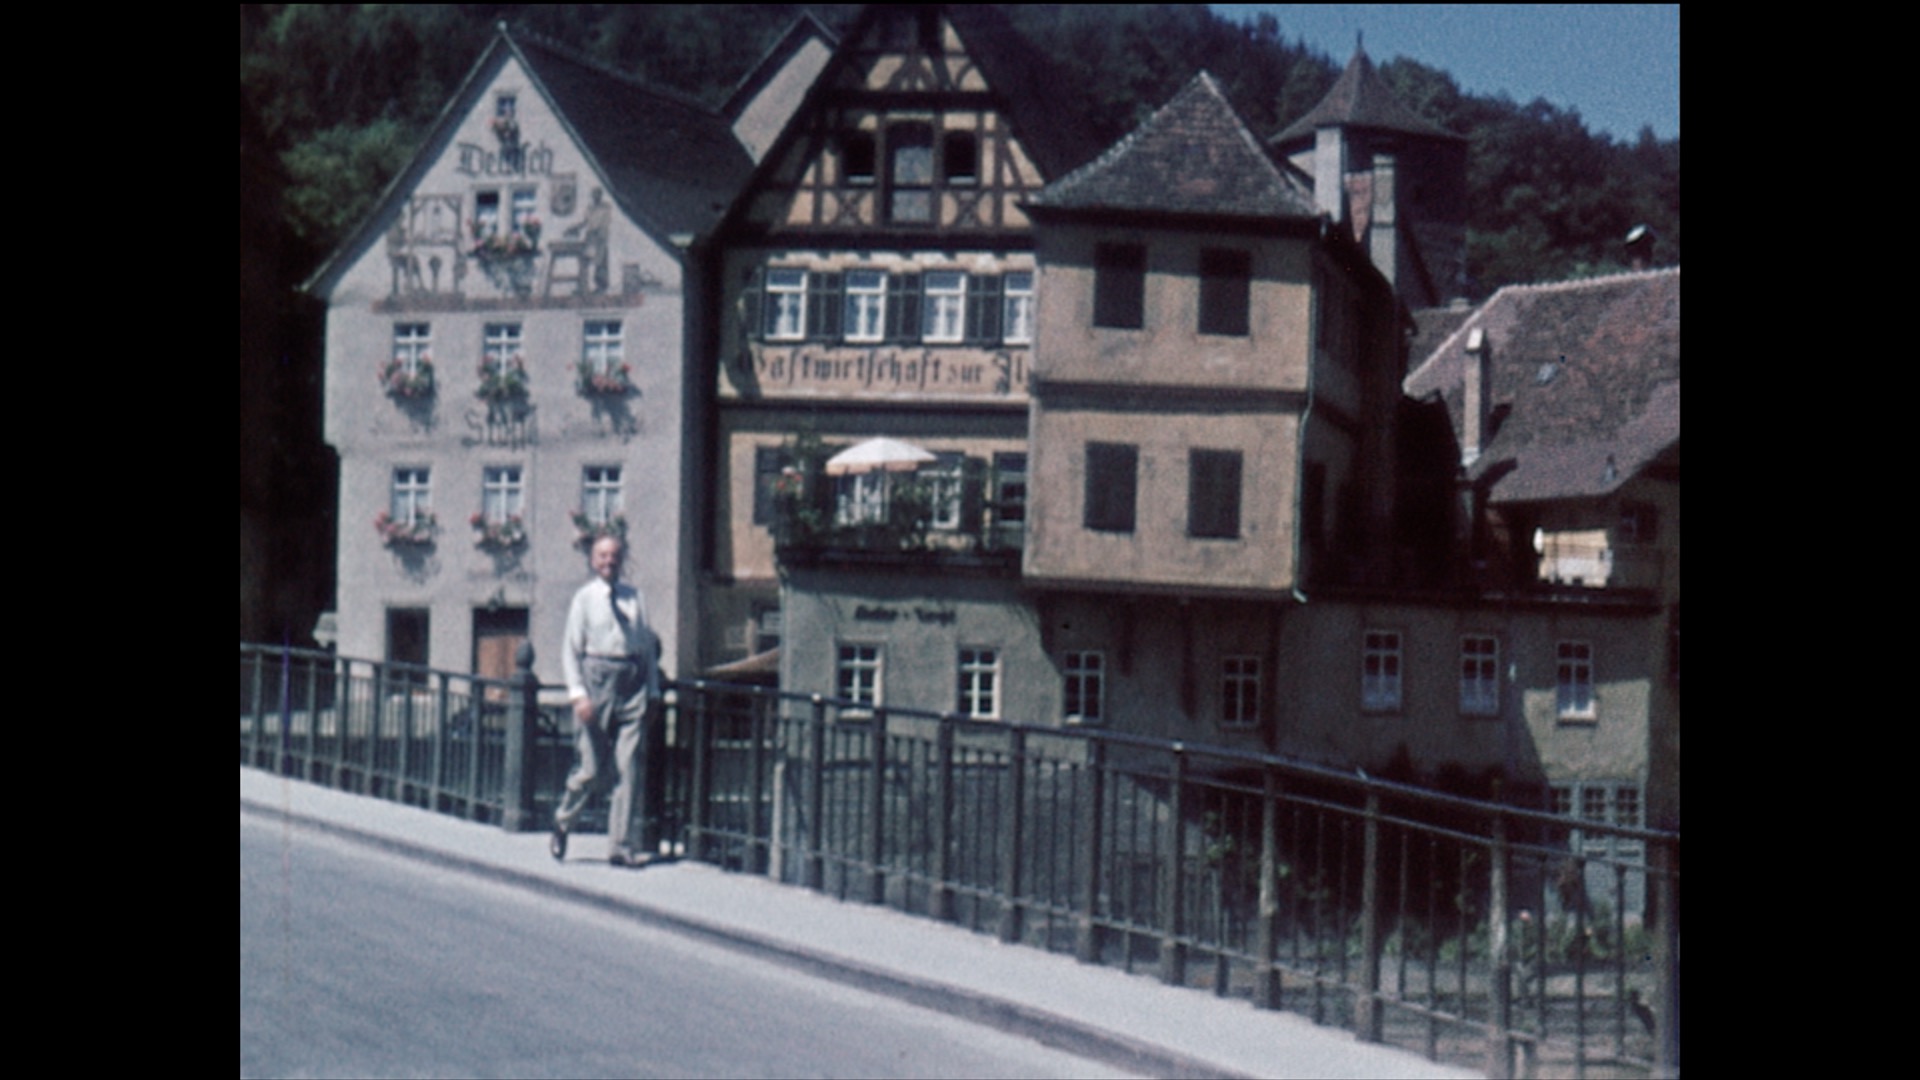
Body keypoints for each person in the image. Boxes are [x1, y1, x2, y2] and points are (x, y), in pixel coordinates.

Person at [551, 535, 661, 866]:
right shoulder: (583, 599)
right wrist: (578, 695)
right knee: (592, 768)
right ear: (592, 560)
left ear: (621, 559)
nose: (608, 561)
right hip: (596, 682)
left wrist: (653, 692)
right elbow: (570, 651)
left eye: (614, 556)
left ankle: (620, 847)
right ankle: (562, 820)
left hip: (632, 683)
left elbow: (648, 651)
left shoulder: (635, 598)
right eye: (602, 556)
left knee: (628, 769)